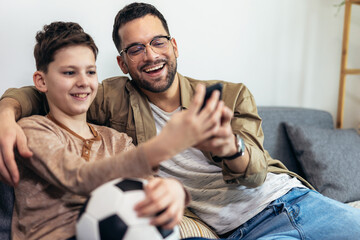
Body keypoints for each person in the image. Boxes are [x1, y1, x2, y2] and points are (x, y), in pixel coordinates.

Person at [1, 2, 360, 239]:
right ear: (123, 63)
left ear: (174, 46)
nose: (151, 55)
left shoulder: (231, 94)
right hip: (236, 231)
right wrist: (6, 111)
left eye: (158, 42)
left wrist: (229, 147)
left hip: (293, 201)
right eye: (136, 49)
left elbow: (256, 173)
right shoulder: (109, 96)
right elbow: (47, 94)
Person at [9, 21, 226, 240]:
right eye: (69, 72)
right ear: (41, 81)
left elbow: (148, 185)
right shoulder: (32, 129)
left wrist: (172, 190)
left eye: (91, 71)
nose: (84, 81)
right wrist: (163, 146)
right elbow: (78, 177)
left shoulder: (116, 140)